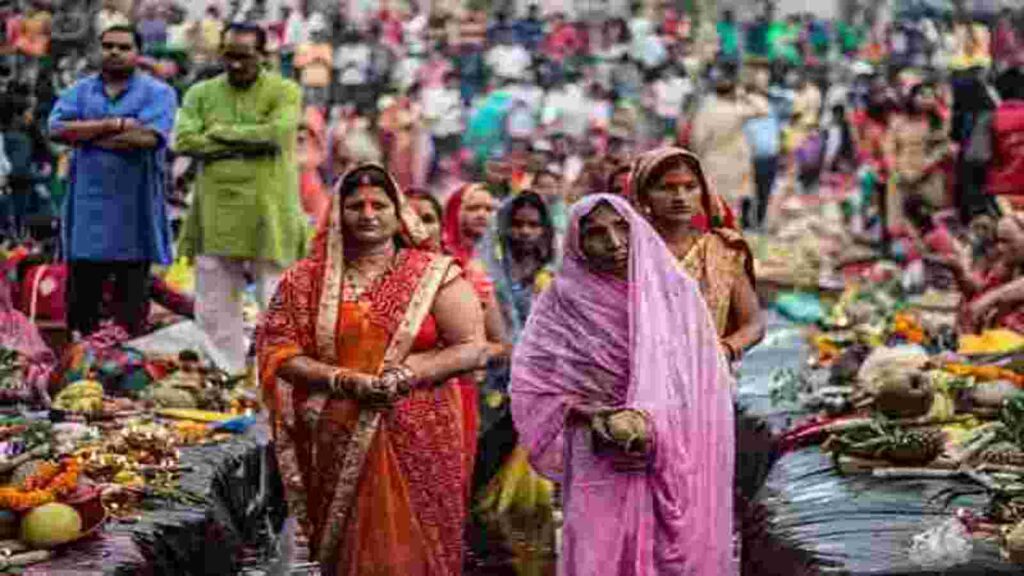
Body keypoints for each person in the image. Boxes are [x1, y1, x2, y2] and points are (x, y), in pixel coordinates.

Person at [256, 164, 488, 575]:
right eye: (355, 205)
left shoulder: (432, 273)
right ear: (336, 213)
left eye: (379, 204)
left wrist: (409, 372)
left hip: (421, 427)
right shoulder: (304, 280)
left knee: (419, 547)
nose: (367, 214)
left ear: (398, 213)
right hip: (337, 431)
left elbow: (471, 347)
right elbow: (277, 350)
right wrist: (342, 379)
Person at [510, 193, 736, 575]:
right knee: (598, 553)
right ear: (577, 243)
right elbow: (536, 383)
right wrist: (591, 414)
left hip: (670, 449)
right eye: (596, 233)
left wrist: (655, 423)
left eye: (621, 229)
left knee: (668, 553)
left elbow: (702, 379)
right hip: (596, 448)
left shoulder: (675, 293)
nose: (613, 242)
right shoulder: (562, 301)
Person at [174, 23, 307, 375]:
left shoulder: (284, 90)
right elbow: (184, 140)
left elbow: (276, 134)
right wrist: (245, 138)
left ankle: (285, 376)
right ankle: (225, 375)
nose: (234, 65)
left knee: (279, 300)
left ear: (263, 56)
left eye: (244, 57)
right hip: (214, 210)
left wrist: (217, 133)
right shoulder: (200, 93)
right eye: (229, 56)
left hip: (269, 209)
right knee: (214, 303)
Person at [48, 24, 178, 337]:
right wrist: (114, 123)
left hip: (135, 215)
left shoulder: (159, 93)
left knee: (130, 312)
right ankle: (79, 375)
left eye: (123, 47)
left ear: (138, 53)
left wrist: (86, 137)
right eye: (108, 46)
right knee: (82, 310)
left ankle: (126, 376)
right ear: (99, 50)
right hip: (87, 214)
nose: (115, 52)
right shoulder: (80, 90)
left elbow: (147, 138)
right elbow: (55, 129)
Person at [630, 148, 764, 363]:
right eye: (666, 188)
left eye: (690, 187)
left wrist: (725, 351)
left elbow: (753, 324)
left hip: (708, 376)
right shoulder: (628, 250)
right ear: (644, 194)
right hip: (641, 374)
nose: (680, 197)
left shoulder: (722, 249)